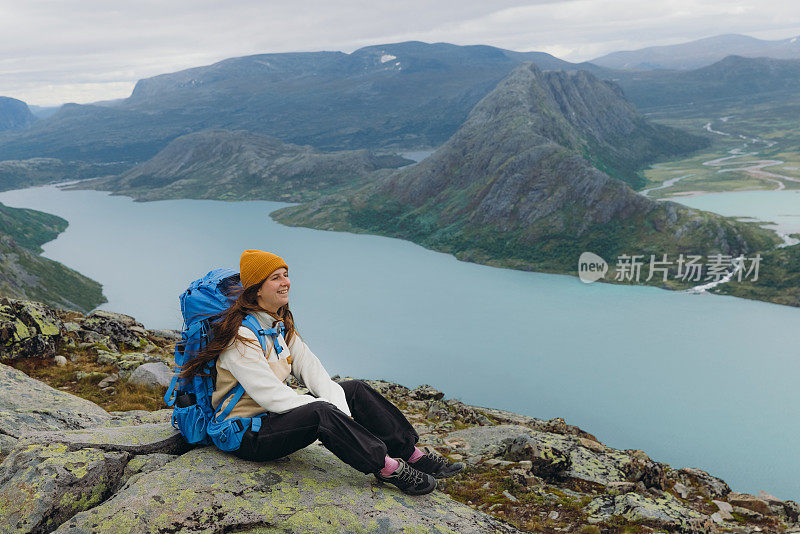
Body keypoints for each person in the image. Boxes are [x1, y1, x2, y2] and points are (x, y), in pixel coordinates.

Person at [182, 249, 463, 495]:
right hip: (245, 435)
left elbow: (313, 372)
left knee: (354, 389)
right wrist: (333, 411)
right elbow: (271, 396)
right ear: (256, 290)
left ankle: (411, 455)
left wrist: (341, 406)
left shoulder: (279, 327)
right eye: (276, 277)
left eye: (285, 274)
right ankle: (388, 468)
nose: (286, 282)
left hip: (273, 421)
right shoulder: (240, 337)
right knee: (321, 412)